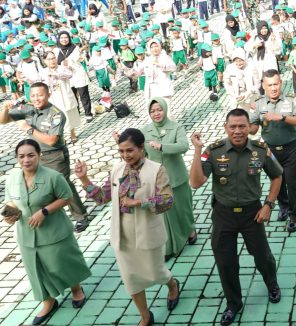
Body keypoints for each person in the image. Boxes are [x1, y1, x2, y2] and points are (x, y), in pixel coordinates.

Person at [75, 128, 179, 326]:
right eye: (121, 151)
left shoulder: (157, 169)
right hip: (123, 236)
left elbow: (167, 201)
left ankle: (172, 284)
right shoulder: (117, 170)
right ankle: (145, 316)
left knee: (157, 272)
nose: (125, 155)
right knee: (131, 279)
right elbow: (101, 197)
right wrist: (84, 179)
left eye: (129, 150)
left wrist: (139, 202)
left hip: (148, 232)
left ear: (141, 147)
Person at [189, 109, 283, 326]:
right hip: (223, 215)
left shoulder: (261, 150)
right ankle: (233, 303)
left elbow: (277, 176)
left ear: (250, 127)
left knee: (263, 256)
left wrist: (269, 204)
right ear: (226, 128)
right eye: (233, 126)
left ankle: (272, 284)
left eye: (242, 126)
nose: (238, 131)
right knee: (225, 262)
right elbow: (195, 182)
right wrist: (197, 151)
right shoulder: (213, 151)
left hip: (253, 213)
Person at [3, 139, 91, 325]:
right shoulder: (12, 178)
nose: (26, 160)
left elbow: (66, 197)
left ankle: (76, 289)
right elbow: (11, 200)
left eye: (30, 155)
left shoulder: (53, 176)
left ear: (39, 156)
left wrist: (44, 211)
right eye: (21, 156)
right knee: (36, 270)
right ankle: (48, 301)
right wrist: (10, 214)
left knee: (63, 263)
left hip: (54, 231)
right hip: (26, 234)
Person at [0, 82, 89, 232]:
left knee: (64, 186)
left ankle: (81, 216)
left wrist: (28, 129)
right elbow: (3, 120)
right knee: (37, 186)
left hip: (55, 156)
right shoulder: (28, 108)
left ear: (48, 94)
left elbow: (51, 140)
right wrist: (5, 108)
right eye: (33, 95)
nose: (36, 98)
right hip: (35, 157)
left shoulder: (56, 114)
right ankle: (42, 214)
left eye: (40, 95)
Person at [249, 70, 296, 232]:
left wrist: (282, 117)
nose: (273, 88)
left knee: (292, 183)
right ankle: (284, 207)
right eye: (270, 85)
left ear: (281, 83)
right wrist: (243, 123)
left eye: (276, 84)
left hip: (291, 149)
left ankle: (295, 215)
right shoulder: (259, 103)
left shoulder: (291, 100)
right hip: (269, 151)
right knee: (277, 180)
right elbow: (253, 130)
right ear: (263, 86)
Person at [140, 97, 197, 260]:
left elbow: (183, 146)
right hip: (157, 180)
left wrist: (162, 146)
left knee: (183, 209)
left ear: (165, 109)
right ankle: (172, 245)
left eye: (159, 109)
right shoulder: (145, 131)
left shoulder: (176, 127)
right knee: (166, 215)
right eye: (152, 111)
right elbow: (139, 152)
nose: (156, 113)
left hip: (177, 177)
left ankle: (190, 229)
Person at [39, 52, 81, 144]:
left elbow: (70, 74)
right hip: (52, 98)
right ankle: (60, 137)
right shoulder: (43, 72)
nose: (52, 61)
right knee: (55, 118)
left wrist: (56, 74)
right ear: (45, 61)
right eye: (49, 59)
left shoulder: (61, 68)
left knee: (68, 116)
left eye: (53, 58)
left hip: (64, 95)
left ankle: (72, 134)